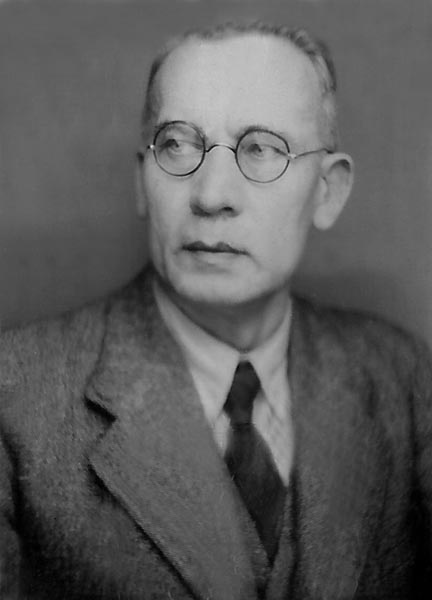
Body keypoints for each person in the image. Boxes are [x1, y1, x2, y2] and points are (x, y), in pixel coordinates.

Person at [1, 21, 431, 600]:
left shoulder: (403, 376)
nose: (211, 196)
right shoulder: (13, 394)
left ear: (327, 191)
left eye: (262, 149)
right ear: (141, 181)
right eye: (178, 145)